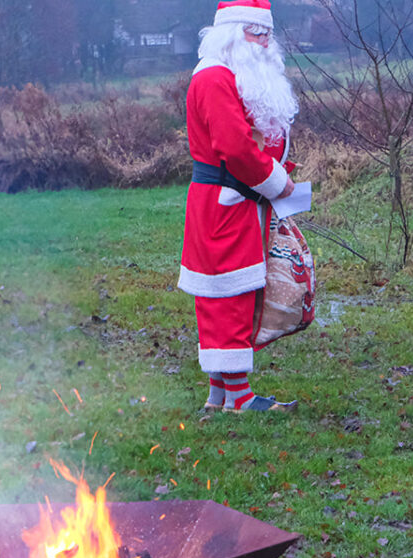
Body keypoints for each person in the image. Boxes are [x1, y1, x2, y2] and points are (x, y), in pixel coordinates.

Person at [178, 0, 300, 412]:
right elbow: (235, 148)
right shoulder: (215, 78)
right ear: (231, 34)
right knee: (228, 292)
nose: (265, 42)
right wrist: (279, 182)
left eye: (267, 33)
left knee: (229, 291)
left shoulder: (228, 76)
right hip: (225, 202)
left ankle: (221, 393)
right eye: (255, 32)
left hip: (235, 201)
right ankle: (239, 397)